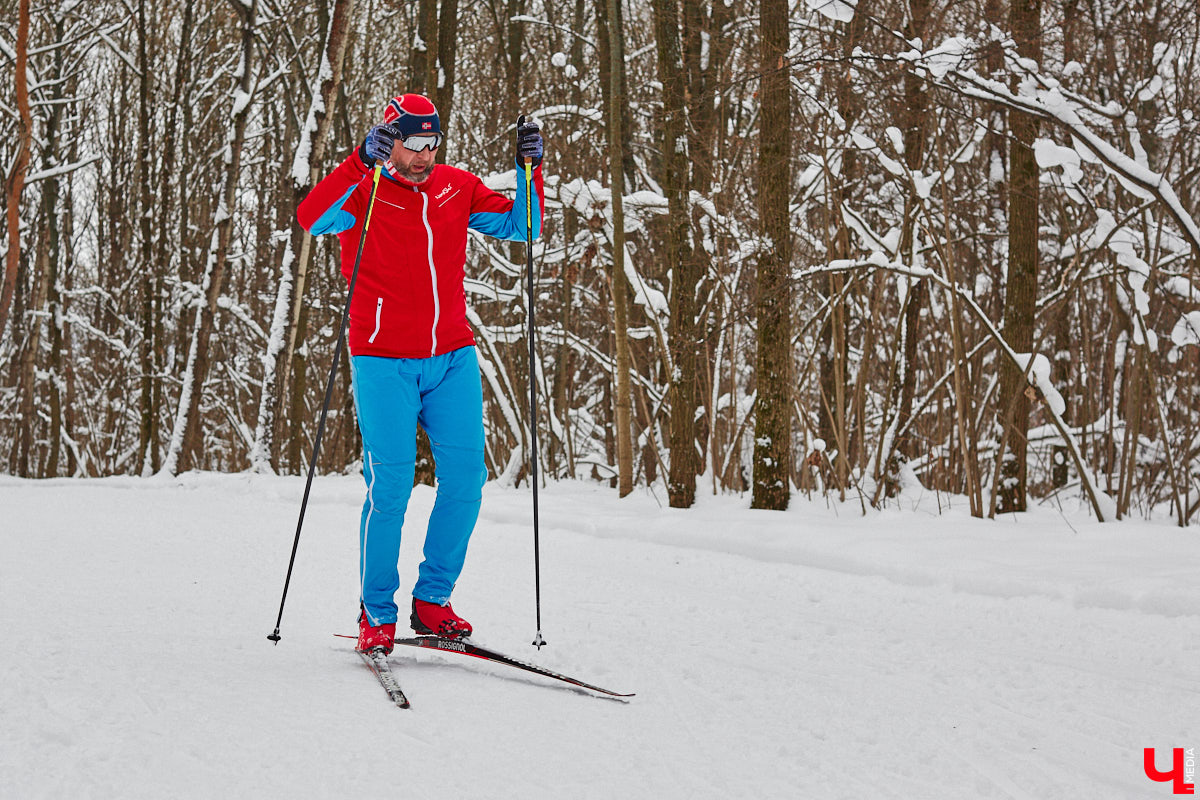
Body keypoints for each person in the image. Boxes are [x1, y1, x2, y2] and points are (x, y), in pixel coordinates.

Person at [296, 94, 544, 654]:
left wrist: (532, 171)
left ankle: (432, 602)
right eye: (414, 145)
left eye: (433, 144)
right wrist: (360, 162)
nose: (425, 156)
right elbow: (311, 218)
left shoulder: (456, 186)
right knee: (391, 488)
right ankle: (376, 611)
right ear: (390, 140)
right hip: (382, 359)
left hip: (451, 357)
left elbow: (523, 226)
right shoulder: (365, 189)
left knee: (466, 482)